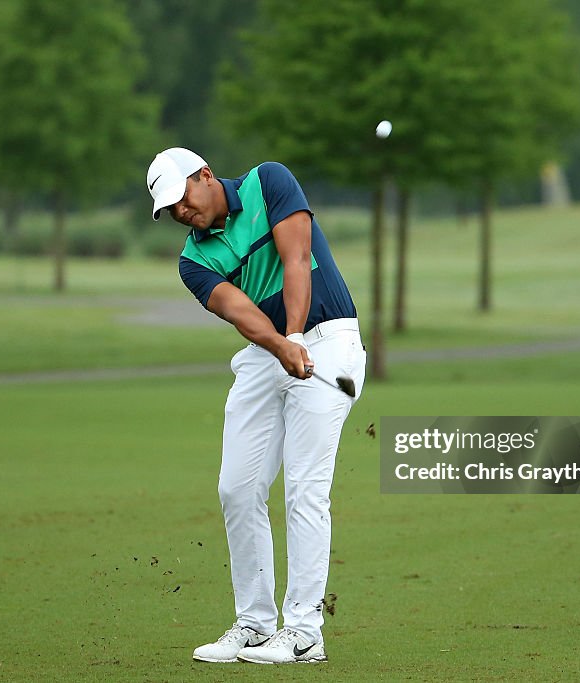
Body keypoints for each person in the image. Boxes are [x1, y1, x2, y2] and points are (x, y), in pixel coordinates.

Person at [146, 147, 367, 664]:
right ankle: (253, 624)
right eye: (169, 210)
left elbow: (296, 260)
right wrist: (281, 346)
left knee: (304, 489)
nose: (181, 213)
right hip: (266, 349)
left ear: (205, 176)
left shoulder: (268, 183)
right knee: (237, 487)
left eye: (182, 199)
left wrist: (296, 337)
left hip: (327, 337)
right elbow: (240, 310)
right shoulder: (193, 261)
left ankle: (305, 633)